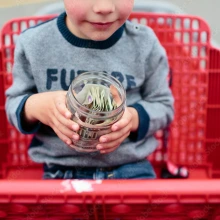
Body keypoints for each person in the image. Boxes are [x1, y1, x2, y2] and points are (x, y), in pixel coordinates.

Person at [5, 0, 174, 179]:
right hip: (60, 171)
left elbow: (163, 105)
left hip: (131, 168)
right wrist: (37, 107)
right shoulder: (34, 43)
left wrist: (131, 119)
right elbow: (13, 103)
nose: (104, 8)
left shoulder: (145, 44)